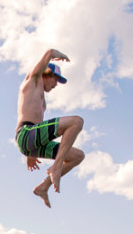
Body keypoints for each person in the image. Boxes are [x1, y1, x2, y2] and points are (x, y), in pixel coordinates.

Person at [16, 48, 85, 208]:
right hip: (26, 134)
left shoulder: (41, 99)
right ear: (46, 74)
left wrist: (30, 152)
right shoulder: (33, 81)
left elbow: (38, 122)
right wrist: (53, 53)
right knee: (76, 122)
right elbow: (47, 55)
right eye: (55, 80)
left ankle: (43, 187)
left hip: (33, 142)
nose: (56, 85)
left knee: (78, 156)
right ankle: (57, 166)